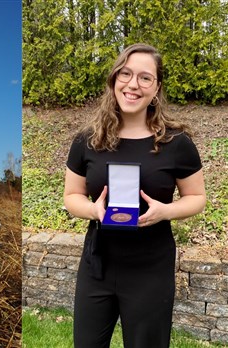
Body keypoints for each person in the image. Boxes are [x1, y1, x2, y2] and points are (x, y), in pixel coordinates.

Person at [64, 43, 206, 347]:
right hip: (98, 265)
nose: (133, 84)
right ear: (114, 80)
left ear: (156, 88)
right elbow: (72, 195)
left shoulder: (176, 142)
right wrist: (94, 211)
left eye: (145, 77)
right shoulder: (87, 140)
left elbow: (197, 198)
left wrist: (165, 211)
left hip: (150, 269)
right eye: (125, 74)